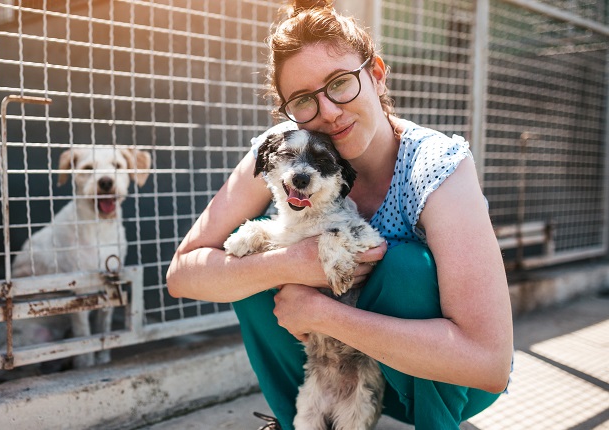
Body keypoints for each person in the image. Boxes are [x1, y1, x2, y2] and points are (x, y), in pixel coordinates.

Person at [166, 1, 513, 429]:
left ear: (377, 74)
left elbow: (489, 365)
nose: (328, 112)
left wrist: (323, 314)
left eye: (340, 83)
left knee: (405, 267)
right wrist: (290, 263)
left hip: (441, 377)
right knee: (245, 254)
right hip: (329, 374)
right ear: (287, 112)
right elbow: (181, 273)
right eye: (304, 100)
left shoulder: (435, 165)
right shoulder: (287, 153)